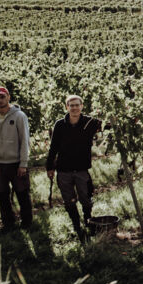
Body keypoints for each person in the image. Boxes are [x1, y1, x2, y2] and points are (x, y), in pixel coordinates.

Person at [47, 95, 102, 242]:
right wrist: (49, 167)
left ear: (82, 106)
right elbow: (53, 147)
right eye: (71, 105)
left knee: (85, 197)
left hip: (82, 169)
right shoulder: (60, 125)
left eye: (77, 105)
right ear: (67, 107)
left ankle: (88, 221)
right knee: (69, 200)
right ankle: (77, 226)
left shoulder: (90, 122)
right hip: (64, 170)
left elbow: (108, 125)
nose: (74, 108)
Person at [0, 86, 33, 231]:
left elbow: (25, 141)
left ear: (8, 97)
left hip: (16, 163)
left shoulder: (19, 116)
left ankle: (27, 224)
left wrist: (23, 163)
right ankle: (8, 224)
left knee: (22, 194)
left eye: (2, 97)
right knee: (2, 195)